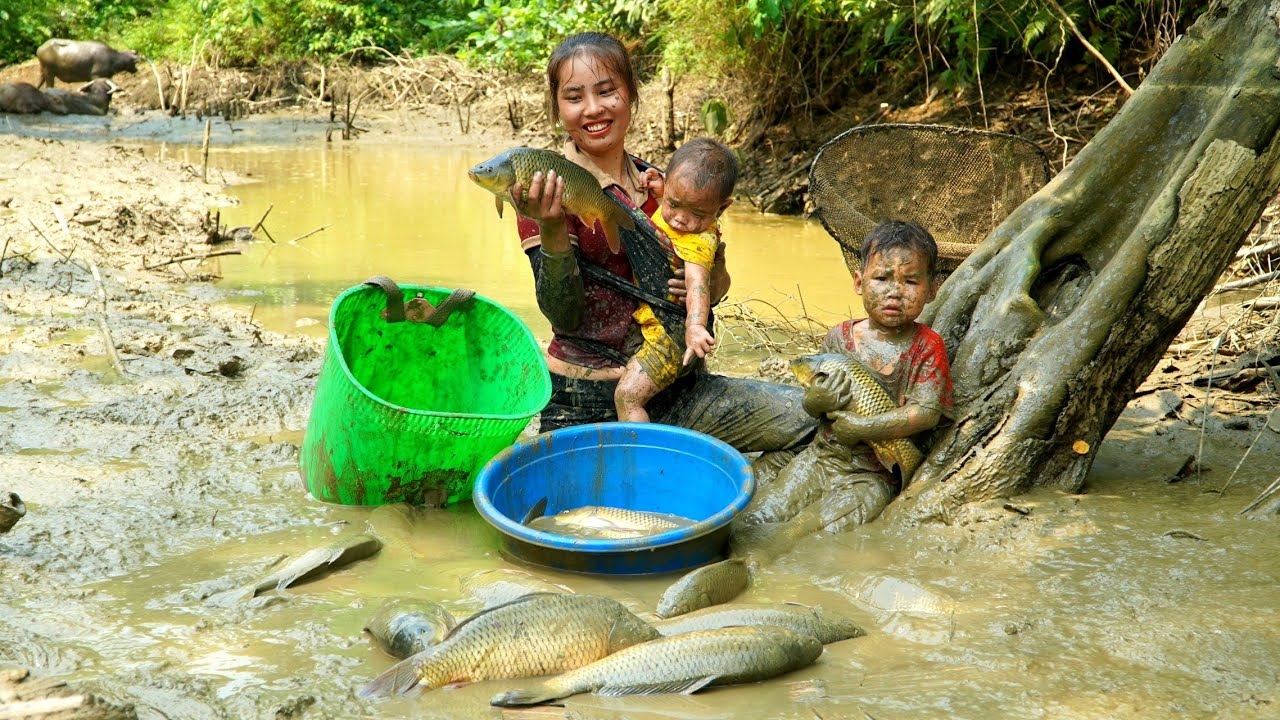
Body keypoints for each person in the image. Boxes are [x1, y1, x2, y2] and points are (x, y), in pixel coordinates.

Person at [507, 31, 813, 454]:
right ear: (558, 108)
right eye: (574, 96)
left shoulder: (668, 186)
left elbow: (714, 290)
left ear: (631, 96)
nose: (593, 109)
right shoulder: (543, 190)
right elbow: (564, 312)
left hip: (681, 387)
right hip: (587, 400)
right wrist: (555, 228)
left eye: (607, 91)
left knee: (816, 417)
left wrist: (710, 269)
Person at [739, 219, 953, 533]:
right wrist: (816, 400)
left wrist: (863, 428)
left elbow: (927, 413)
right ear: (858, 282)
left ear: (932, 289)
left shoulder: (927, 346)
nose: (894, 292)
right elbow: (812, 407)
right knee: (759, 517)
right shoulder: (838, 339)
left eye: (910, 282)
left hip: (872, 475)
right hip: (821, 457)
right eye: (881, 278)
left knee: (816, 532)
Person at [616, 137, 737, 422]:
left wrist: (694, 326)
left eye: (696, 213)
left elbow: (697, 284)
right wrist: (660, 195)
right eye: (674, 203)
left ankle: (641, 458)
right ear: (668, 185)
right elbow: (675, 212)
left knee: (627, 396)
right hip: (656, 326)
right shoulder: (678, 208)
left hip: (671, 337)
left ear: (721, 209)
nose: (680, 220)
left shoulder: (698, 240)